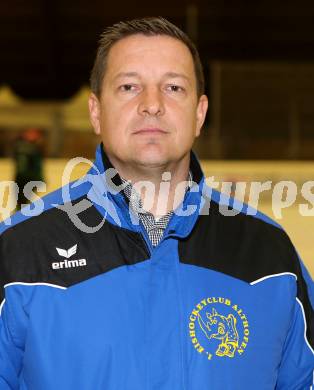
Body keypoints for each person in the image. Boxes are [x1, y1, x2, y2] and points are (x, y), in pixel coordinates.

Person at [0, 16, 313, 390]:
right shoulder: (18, 250)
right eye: (129, 86)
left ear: (199, 113)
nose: (152, 105)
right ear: (96, 111)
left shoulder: (269, 254)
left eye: (174, 87)